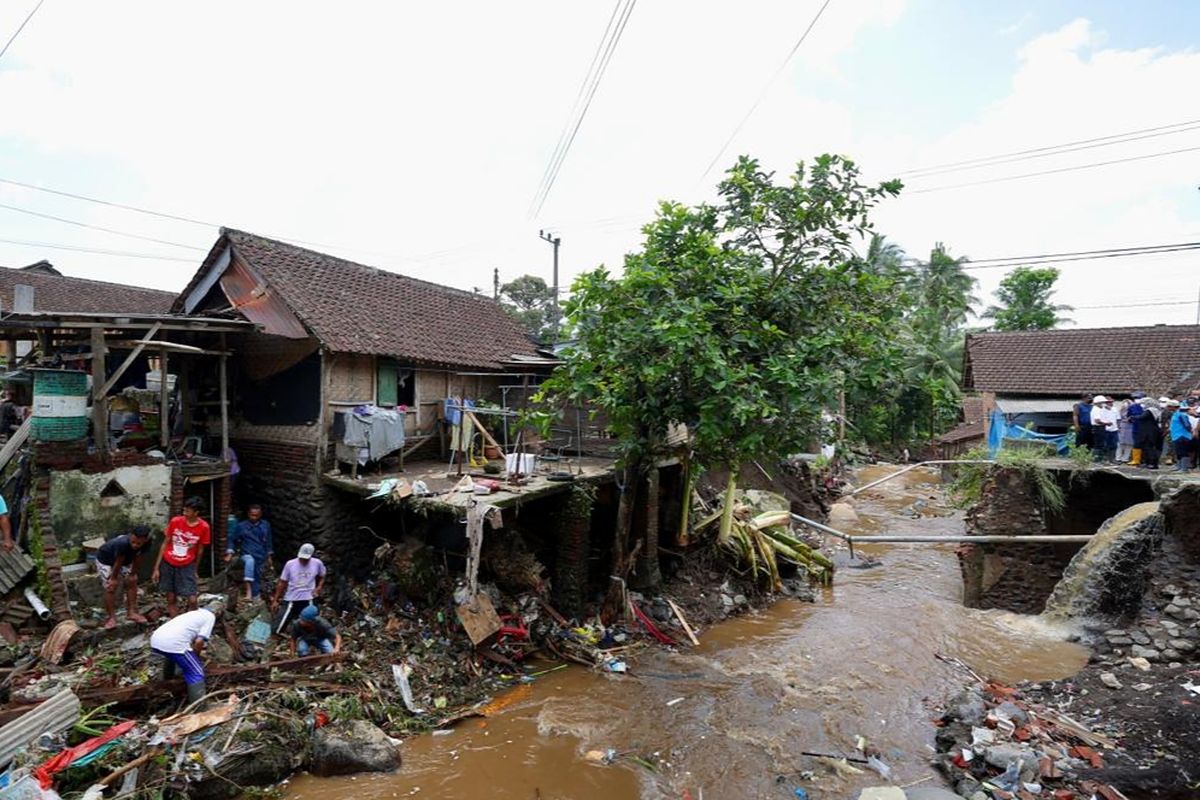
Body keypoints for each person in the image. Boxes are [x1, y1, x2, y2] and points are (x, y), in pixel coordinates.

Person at [149, 603, 220, 705]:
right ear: (217, 612)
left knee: (172, 656)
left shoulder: (193, 613)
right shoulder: (210, 616)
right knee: (196, 671)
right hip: (173, 643)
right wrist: (195, 658)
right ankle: (198, 708)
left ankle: (168, 682)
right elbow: (199, 641)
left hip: (156, 639)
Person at [152, 497, 211, 617]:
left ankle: (192, 621)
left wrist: (195, 569)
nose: (185, 512)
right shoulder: (175, 521)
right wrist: (156, 568)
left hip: (187, 564)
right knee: (171, 597)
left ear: (196, 513)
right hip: (169, 561)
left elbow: (200, 550)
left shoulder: (204, 527)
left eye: (188, 510)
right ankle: (175, 622)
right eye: (185, 509)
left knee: (192, 599)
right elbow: (165, 543)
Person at [95, 525, 152, 628]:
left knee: (132, 582)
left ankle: (131, 613)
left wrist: (133, 574)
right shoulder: (122, 543)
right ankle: (111, 617)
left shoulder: (148, 542)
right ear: (131, 536)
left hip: (126, 560)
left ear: (145, 540)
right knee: (110, 587)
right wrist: (113, 578)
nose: (135, 545)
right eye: (133, 542)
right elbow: (118, 561)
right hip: (106, 560)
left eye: (138, 543)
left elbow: (139, 557)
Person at [271, 543, 326, 634]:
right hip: (292, 597)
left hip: (308, 597)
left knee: (312, 625)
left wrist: (319, 587)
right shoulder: (290, 564)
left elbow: (322, 575)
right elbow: (282, 582)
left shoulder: (317, 563)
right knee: (277, 628)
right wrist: (275, 599)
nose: (303, 560)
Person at [225, 504, 273, 601]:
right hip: (247, 553)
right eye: (252, 515)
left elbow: (268, 541)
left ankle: (256, 595)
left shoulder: (265, 525)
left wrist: (269, 556)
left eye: (256, 515)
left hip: (260, 554)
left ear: (260, 515)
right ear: (248, 514)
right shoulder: (241, 526)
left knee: (258, 575)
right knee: (250, 562)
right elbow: (232, 539)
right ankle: (249, 592)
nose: (254, 517)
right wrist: (230, 552)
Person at [1134, 401, 1162, 470]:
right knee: (1148, 447)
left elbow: (1141, 417)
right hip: (1152, 431)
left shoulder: (1150, 410)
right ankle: (1148, 463)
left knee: (1149, 448)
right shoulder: (1156, 411)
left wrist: (1133, 417)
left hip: (1148, 432)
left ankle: (1151, 463)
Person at [1090, 396, 1118, 462]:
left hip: (1101, 428)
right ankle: (1097, 459)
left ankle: (1100, 459)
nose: (1104, 403)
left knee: (1101, 444)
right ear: (1098, 402)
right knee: (1099, 445)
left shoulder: (1099, 408)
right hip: (1098, 427)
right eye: (1102, 402)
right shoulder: (1096, 409)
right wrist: (1107, 423)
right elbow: (1097, 421)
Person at [1170, 401, 1195, 472]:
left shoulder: (1182, 415)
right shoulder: (1176, 414)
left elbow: (1187, 425)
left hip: (1182, 435)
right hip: (1176, 435)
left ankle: (1184, 468)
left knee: (1183, 451)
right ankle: (1179, 466)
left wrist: (1190, 431)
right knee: (1178, 451)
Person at [1116, 399, 1134, 463]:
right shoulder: (1119, 411)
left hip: (1130, 428)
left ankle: (1125, 458)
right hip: (1122, 427)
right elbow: (1117, 419)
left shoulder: (1133, 412)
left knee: (1129, 445)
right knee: (1120, 444)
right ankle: (1118, 458)